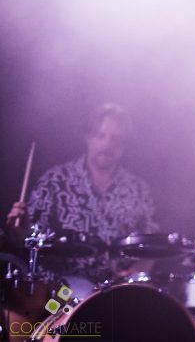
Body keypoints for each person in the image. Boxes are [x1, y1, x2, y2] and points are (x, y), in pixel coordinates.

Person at [5, 103, 158, 283]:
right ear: (87, 137)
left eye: (115, 139)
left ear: (123, 145)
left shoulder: (138, 190)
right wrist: (19, 232)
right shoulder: (54, 182)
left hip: (118, 292)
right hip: (61, 293)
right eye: (100, 136)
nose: (107, 144)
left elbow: (151, 250)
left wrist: (133, 275)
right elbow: (30, 241)